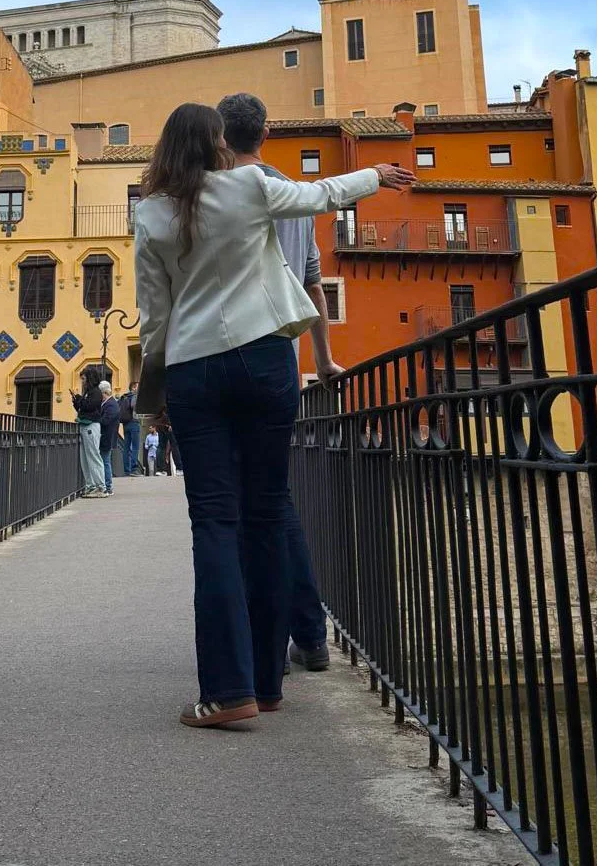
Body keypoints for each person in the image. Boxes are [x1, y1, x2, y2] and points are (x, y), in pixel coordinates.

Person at [134, 102, 411, 727]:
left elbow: (154, 315)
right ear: (218, 144)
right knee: (266, 514)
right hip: (265, 360)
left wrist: (156, 396)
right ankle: (267, 682)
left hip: (195, 369)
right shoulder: (249, 187)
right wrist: (378, 176)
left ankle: (227, 691)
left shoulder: (149, 215)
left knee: (214, 524)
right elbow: (320, 195)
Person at [218, 92, 337, 675]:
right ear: (266, 130)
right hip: (281, 364)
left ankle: (260, 642)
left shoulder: (217, 191)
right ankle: (309, 635)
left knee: (236, 506)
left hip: (226, 355)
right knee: (274, 498)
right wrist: (325, 360)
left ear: (220, 134)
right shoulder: (296, 195)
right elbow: (313, 284)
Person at [72, 366, 104, 497]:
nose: (82, 381)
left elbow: (89, 406)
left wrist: (79, 400)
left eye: (84, 378)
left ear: (89, 379)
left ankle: (100, 486)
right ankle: (91, 485)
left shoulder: (96, 392)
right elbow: (82, 407)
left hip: (91, 426)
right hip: (86, 426)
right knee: (85, 459)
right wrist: (76, 401)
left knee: (93, 456)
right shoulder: (89, 392)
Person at [98, 380, 119, 495]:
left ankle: (108, 486)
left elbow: (106, 421)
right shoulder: (110, 403)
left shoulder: (111, 404)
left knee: (105, 461)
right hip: (107, 437)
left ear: (104, 392)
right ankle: (106, 485)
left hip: (107, 437)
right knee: (105, 461)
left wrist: (96, 420)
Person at [120, 380, 141, 475]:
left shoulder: (124, 396)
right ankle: (134, 468)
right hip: (134, 422)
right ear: (133, 387)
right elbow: (133, 405)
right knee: (135, 446)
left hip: (125, 424)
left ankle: (126, 470)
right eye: (137, 386)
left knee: (126, 447)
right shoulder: (134, 396)